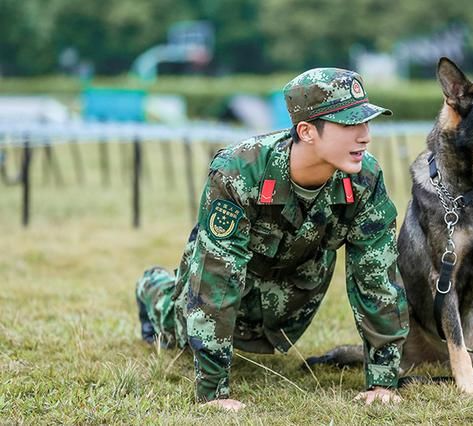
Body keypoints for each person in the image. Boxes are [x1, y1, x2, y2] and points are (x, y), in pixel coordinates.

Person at [135, 67, 409, 411]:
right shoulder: (239, 172)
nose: (365, 136)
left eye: (366, 123)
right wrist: (213, 393)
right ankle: (153, 285)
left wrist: (383, 382)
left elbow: (377, 278)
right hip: (223, 287)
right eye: (350, 124)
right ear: (307, 131)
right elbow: (216, 279)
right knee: (177, 330)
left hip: (292, 296)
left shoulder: (364, 180)